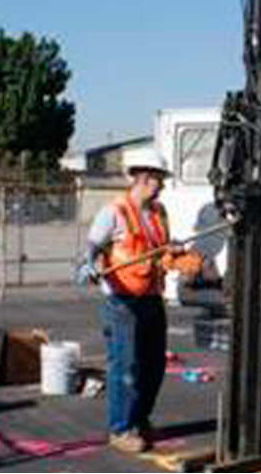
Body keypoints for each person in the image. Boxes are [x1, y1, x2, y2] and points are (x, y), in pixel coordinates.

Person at [77, 150, 202, 454]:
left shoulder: (159, 213)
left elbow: (160, 253)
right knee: (126, 366)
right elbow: (92, 247)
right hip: (122, 301)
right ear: (144, 178)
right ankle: (121, 428)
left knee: (153, 365)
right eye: (159, 180)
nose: (161, 186)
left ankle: (139, 419)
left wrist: (177, 257)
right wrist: (87, 265)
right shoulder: (115, 211)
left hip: (150, 297)